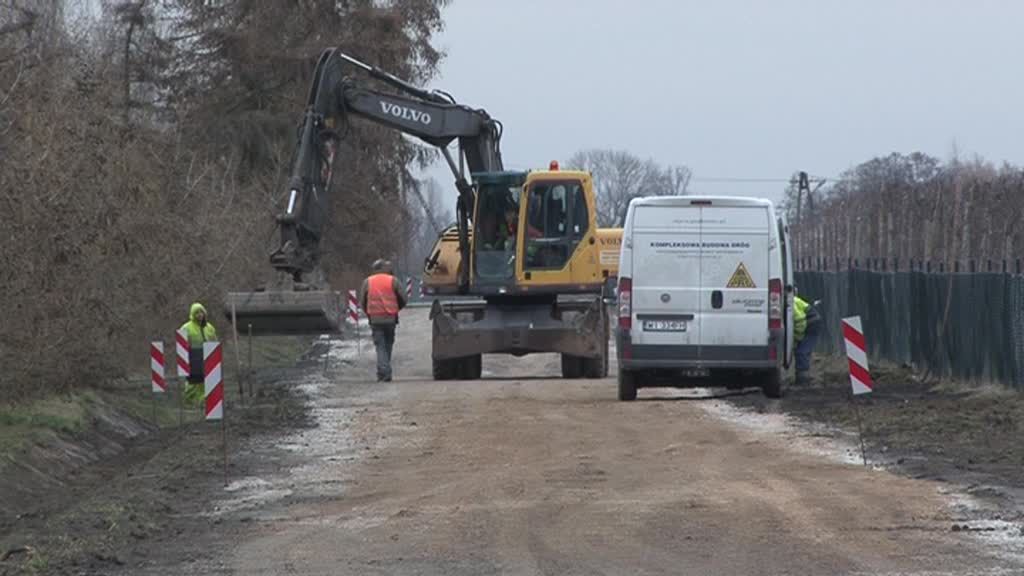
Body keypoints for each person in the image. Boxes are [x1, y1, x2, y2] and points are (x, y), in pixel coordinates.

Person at [360, 259, 407, 382]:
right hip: (390, 318)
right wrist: (396, 308)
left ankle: (384, 372)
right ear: (384, 268)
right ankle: (384, 371)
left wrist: (369, 312)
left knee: (380, 346)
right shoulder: (393, 280)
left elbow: (363, 302)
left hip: (375, 319)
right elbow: (404, 298)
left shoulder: (367, 282)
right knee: (388, 345)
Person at [180, 302, 218, 406]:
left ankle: (203, 404)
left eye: (201, 312)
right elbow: (181, 345)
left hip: (207, 358)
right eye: (197, 312)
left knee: (205, 383)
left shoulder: (209, 327)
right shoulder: (186, 327)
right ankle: (189, 404)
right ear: (192, 314)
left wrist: (214, 358)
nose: (200, 314)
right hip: (193, 359)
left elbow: (214, 341)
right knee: (193, 383)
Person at [793, 293, 822, 385]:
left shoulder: (791, 304)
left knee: (802, 352)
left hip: (811, 324)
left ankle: (803, 380)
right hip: (811, 322)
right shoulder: (791, 301)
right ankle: (802, 378)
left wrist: (797, 338)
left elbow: (800, 322)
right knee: (801, 351)